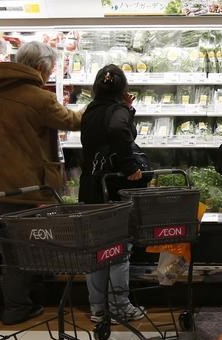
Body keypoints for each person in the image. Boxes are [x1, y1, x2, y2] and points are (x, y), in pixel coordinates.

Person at [0, 41, 82, 327]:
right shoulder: (38, 98)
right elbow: (71, 120)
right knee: (20, 249)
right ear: (38, 68)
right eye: (50, 69)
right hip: (23, 190)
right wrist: (99, 108)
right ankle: (16, 309)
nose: (49, 74)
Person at [78, 65, 147, 323]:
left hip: (91, 186)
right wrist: (130, 167)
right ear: (123, 89)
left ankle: (97, 308)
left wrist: (126, 109)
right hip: (111, 188)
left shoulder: (91, 111)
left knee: (95, 250)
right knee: (118, 250)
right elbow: (119, 131)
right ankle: (120, 306)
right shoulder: (117, 111)